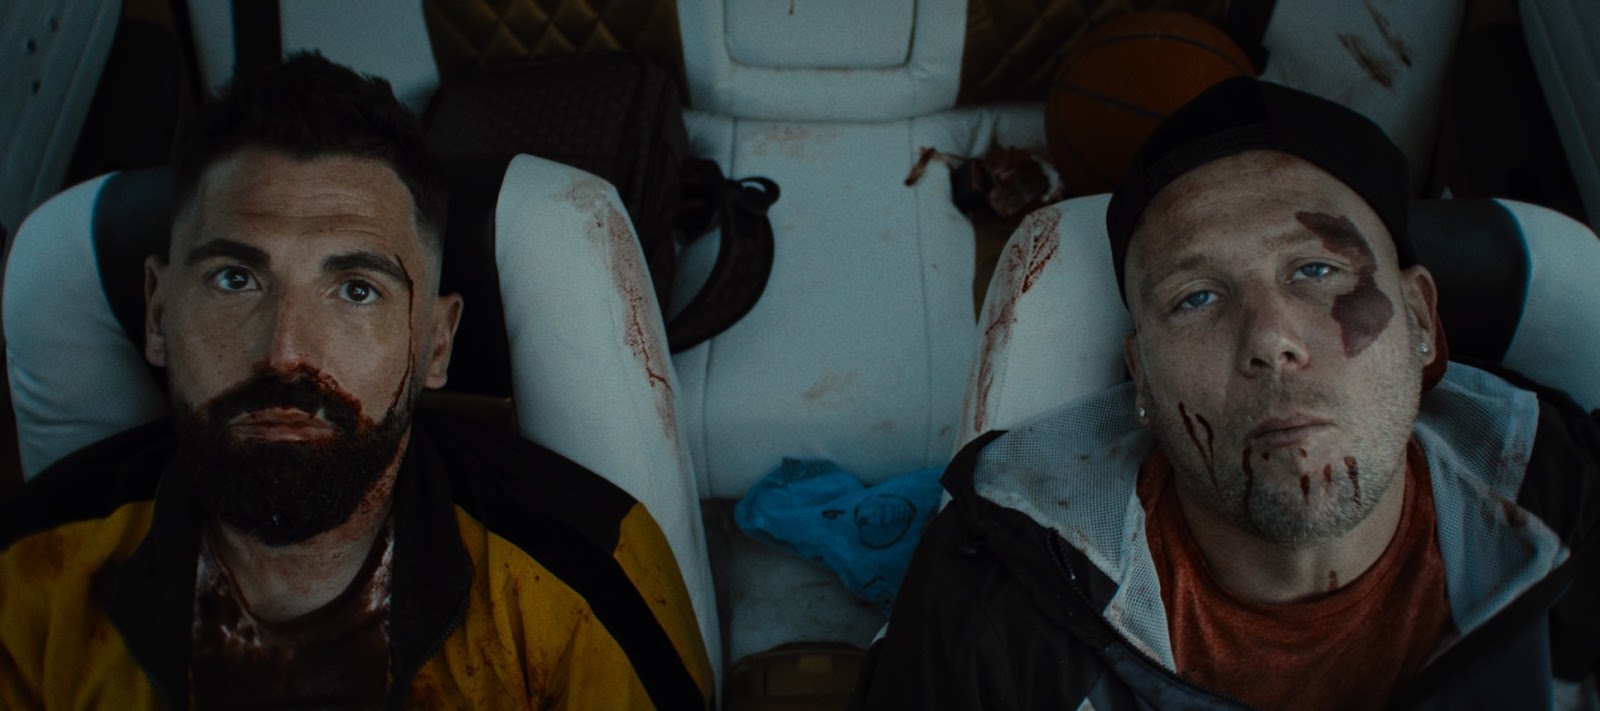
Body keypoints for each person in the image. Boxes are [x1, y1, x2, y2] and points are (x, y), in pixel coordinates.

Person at [857, 76, 1600, 709]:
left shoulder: (1564, 500)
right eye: (1198, 298)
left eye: (1316, 270)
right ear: (1142, 379)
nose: (1270, 339)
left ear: (1421, 322)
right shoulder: (991, 610)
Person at [0, 53, 712, 709]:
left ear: (436, 343)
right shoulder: (27, 581)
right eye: (235, 279)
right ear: (158, 314)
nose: (284, 353)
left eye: (356, 290)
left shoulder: (580, 591)